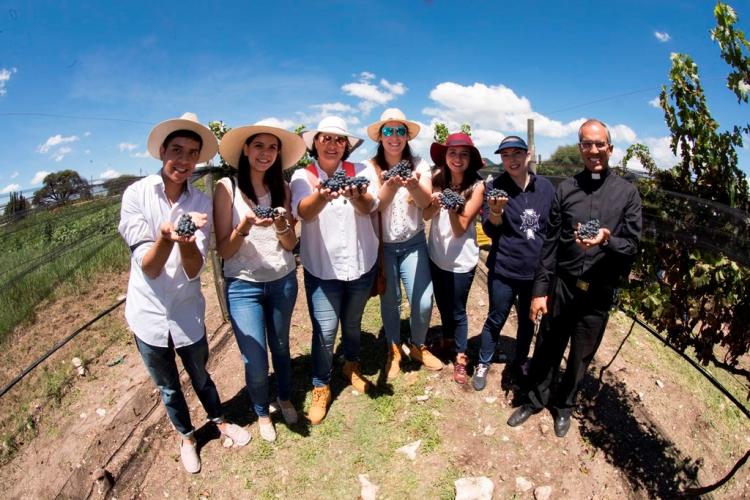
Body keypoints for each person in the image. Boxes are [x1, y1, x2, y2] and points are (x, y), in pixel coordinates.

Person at [118, 113, 250, 474]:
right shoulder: (137, 195)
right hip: (148, 314)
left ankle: (219, 420)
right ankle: (187, 436)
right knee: (170, 388)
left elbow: (193, 268)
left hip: (187, 310)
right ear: (162, 151)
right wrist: (165, 236)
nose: (184, 160)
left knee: (201, 374)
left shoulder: (200, 202)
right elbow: (149, 266)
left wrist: (186, 240)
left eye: (192, 153)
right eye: (177, 150)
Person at [507, 119, 642, 437]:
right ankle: (535, 399)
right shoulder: (566, 189)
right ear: (580, 148)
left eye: (599, 144)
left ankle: (564, 406)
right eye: (586, 144)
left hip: (598, 290)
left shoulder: (627, 194)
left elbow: (633, 245)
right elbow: (549, 244)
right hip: (563, 285)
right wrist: (540, 290)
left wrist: (607, 239)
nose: (593, 150)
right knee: (547, 345)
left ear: (609, 147)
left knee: (581, 355)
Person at [214, 123, 307, 442]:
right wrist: (244, 226)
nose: (265, 153)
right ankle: (261, 412)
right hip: (243, 287)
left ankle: (284, 397)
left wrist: (282, 224)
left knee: (281, 347)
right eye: (258, 146)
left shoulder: (283, 187)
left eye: (272, 148)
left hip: (281, 281)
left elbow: (290, 244)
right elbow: (224, 250)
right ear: (245, 149)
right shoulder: (226, 188)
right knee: (254, 359)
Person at [290, 116, 379, 424]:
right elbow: (303, 211)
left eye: (339, 139)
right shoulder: (303, 176)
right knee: (325, 332)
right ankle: (321, 384)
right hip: (322, 269)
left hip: (360, 263)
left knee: (353, 324)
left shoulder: (362, 172)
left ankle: (351, 366)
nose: (332, 144)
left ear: (346, 146)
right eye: (325, 138)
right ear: (315, 143)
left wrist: (357, 195)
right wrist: (322, 194)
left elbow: (371, 207)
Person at [365, 108, 442, 381]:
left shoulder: (419, 165)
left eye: (400, 131)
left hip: (413, 243)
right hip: (384, 247)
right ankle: (393, 349)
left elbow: (425, 203)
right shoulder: (371, 167)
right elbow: (375, 206)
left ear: (407, 136)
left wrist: (410, 184)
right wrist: (391, 185)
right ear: (381, 136)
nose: (394, 136)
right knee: (391, 301)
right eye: (388, 131)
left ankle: (419, 345)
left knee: (422, 301)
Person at [473, 136, 555, 391]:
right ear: (501, 159)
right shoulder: (495, 187)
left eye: (516, 153)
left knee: (528, 322)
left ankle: (520, 362)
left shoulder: (546, 188)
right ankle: (483, 362)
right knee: (496, 317)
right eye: (506, 155)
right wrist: (496, 212)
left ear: (528, 154)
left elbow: (552, 228)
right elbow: (490, 228)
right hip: (504, 269)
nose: (512, 159)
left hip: (535, 273)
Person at [424, 132, 485, 384]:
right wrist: (436, 203)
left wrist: (450, 207)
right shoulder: (437, 180)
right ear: (445, 157)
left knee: (458, 310)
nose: (457, 158)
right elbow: (426, 215)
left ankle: (461, 357)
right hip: (437, 255)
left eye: (463, 154)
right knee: (443, 304)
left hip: (462, 260)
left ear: (470, 159)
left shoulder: (478, 187)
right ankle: (448, 341)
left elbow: (460, 228)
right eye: (452, 153)